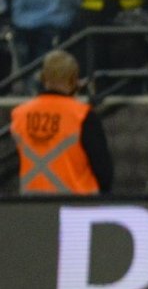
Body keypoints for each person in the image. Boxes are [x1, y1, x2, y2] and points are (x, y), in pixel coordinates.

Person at [10, 50, 113, 195]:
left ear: (43, 78)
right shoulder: (82, 115)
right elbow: (103, 170)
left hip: (32, 205)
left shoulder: (19, 114)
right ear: (74, 80)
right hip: (77, 207)